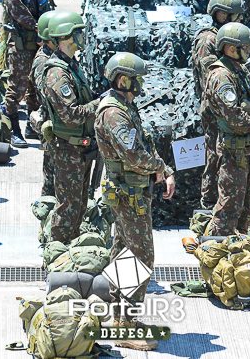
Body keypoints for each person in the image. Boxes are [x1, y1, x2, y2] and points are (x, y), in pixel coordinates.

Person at [95, 51, 175, 352]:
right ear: (123, 80)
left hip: (132, 190)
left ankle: (118, 316)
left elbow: (143, 145)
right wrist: (160, 167)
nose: (140, 85)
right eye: (136, 79)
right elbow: (134, 155)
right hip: (128, 193)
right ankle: (125, 325)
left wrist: (163, 170)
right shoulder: (114, 113)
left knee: (123, 251)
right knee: (140, 255)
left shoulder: (124, 106)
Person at [203, 23, 250, 235]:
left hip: (249, 149)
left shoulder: (241, 71)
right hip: (234, 152)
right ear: (231, 48)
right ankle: (216, 245)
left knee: (247, 205)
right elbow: (234, 116)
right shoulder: (222, 76)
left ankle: (239, 245)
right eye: (246, 47)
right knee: (229, 206)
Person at [42, 12, 99, 243]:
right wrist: (99, 104)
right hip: (68, 150)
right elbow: (71, 116)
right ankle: (57, 250)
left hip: (80, 148)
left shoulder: (71, 65)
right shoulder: (58, 74)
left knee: (79, 204)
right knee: (67, 207)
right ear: (66, 37)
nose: (82, 37)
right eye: (78, 33)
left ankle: (70, 246)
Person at [191, 0, 246, 210]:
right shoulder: (209, 40)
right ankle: (209, 201)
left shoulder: (223, 36)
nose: (239, 20)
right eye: (236, 15)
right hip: (215, 107)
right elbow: (212, 78)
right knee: (214, 153)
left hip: (223, 105)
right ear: (222, 15)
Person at [1, 0, 49, 147]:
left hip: (37, 39)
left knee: (36, 86)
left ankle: (32, 126)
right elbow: (18, 12)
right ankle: (13, 130)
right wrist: (39, 31)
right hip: (21, 42)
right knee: (17, 87)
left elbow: (42, 4)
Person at [30, 10, 58, 197]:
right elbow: (47, 94)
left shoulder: (54, 56)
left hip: (56, 123)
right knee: (52, 178)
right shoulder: (44, 61)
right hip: (51, 123)